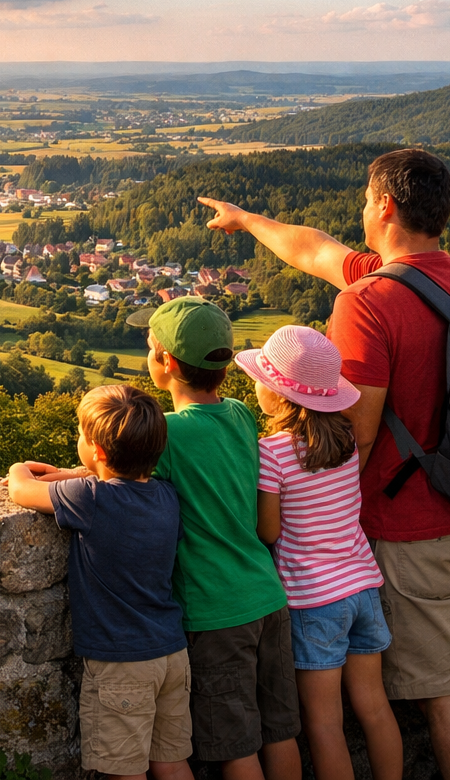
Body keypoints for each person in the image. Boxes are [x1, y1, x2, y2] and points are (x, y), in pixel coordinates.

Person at [198, 148, 450, 780]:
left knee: (448, 691)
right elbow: (314, 248)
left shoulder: (368, 301)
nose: (357, 209)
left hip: (419, 529)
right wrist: (246, 221)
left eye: (363, 198)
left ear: (384, 205)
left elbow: (351, 439)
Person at [136, 296, 301, 780]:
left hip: (215, 612)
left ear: (165, 362)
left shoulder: (165, 435)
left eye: (150, 346)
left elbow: (114, 473)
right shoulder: (240, 415)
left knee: (236, 744)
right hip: (268, 596)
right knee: (281, 732)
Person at [7, 385, 193, 780]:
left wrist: (18, 467)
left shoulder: (90, 499)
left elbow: (21, 490)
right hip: (172, 654)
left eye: (81, 434)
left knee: (123, 771)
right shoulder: (167, 495)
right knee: (171, 763)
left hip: (122, 663)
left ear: (100, 452)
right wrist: (84, 471)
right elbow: (111, 480)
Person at [243, 325, 402, 780]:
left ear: (277, 394)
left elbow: (270, 530)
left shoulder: (272, 452)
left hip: (314, 600)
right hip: (362, 587)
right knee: (374, 708)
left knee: (324, 722)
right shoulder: (346, 440)